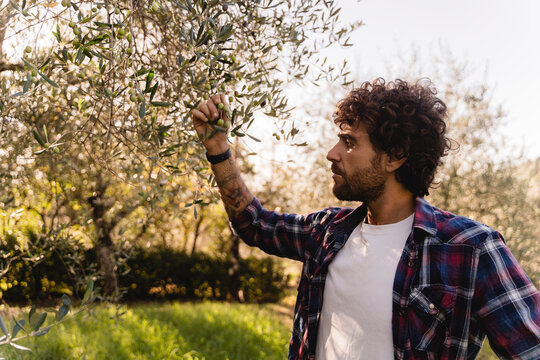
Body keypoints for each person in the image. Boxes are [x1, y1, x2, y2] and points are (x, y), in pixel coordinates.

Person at [191, 78, 540, 360]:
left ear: (395, 157)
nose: (332, 153)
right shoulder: (327, 232)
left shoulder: (471, 249)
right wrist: (219, 148)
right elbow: (254, 224)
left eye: (349, 142)